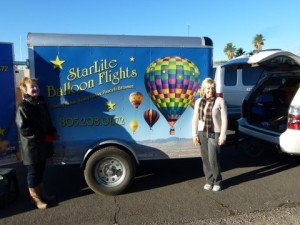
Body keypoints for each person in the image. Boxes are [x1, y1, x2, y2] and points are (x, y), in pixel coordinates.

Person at [16, 77, 58, 209]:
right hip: (32, 147)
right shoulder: (24, 106)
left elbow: (47, 121)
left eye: (36, 86)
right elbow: (24, 129)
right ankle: (35, 199)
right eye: (32, 87)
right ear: (26, 90)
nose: (35, 89)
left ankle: (43, 193)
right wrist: (43, 137)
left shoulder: (40, 103)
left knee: (40, 170)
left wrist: (52, 132)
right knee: (33, 173)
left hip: (42, 145)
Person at [192, 77, 228, 191]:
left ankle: (217, 181)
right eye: (208, 88)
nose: (210, 90)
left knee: (213, 158)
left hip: (214, 132)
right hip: (202, 133)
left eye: (212, 88)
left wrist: (223, 135)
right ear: (203, 89)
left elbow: (224, 119)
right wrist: (194, 134)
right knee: (205, 159)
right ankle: (209, 180)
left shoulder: (220, 101)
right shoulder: (199, 102)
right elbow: (195, 119)